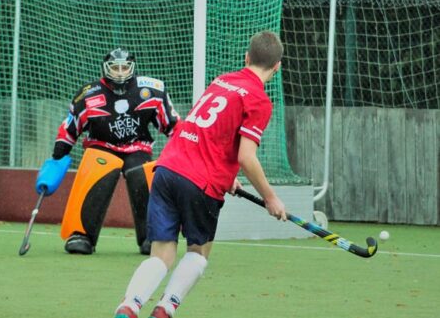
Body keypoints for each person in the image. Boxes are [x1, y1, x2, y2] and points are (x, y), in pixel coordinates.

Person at [113, 31, 289, 318]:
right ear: (277, 66)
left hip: (168, 169)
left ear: (246, 57)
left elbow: (204, 131)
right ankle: (165, 309)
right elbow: (246, 156)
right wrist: (270, 198)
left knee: (162, 253)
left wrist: (226, 174)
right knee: (198, 251)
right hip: (199, 183)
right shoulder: (259, 100)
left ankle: (129, 306)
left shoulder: (222, 81)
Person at [37, 48, 179, 255]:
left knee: (141, 175)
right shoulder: (88, 94)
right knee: (97, 174)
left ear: (132, 68)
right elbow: (70, 126)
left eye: (124, 67)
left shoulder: (152, 91)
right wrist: (60, 152)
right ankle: (82, 234)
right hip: (100, 147)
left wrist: (182, 147)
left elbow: (173, 125)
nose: (120, 72)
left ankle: (151, 235)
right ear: (105, 69)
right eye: (115, 67)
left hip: (137, 146)